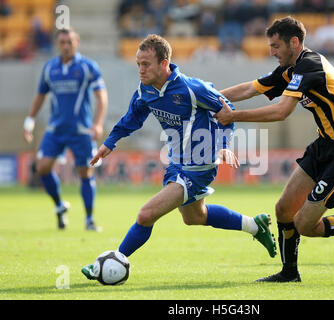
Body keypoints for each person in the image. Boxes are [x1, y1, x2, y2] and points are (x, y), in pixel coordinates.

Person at [214, 16, 334, 282]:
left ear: (294, 42)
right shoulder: (289, 70)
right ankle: (289, 273)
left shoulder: (309, 66)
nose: (271, 52)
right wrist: (205, 96)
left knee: (305, 225)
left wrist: (233, 117)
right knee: (283, 210)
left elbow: (281, 112)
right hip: (324, 145)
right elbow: (250, 88)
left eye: (276, 46)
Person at [81, 34, 276, 280]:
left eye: (146, 64)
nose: (140, 69)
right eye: (138, 63)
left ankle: (110, 262)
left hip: (199, 166)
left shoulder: (192, 88)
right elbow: (132, 118)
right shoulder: (146, 90)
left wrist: (223, 145)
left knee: (146, 214)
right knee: (195, 217)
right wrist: (109, 143)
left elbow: (228, 111)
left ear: (164, 64)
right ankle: (253, 225)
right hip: (177, 163)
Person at [23, 28, 108, 231]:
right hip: (56, 129)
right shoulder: (49, 68)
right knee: (42, 167)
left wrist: (97, 123)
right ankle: (60, 206)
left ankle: (89, 219)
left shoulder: (88, 67)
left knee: (84, 173)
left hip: (81, 130)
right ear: (57, 44)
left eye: (70, 41)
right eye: (62, 42)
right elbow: (40, 95)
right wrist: (29, 121)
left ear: (77, 43)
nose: (66, 45)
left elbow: (101, 97)